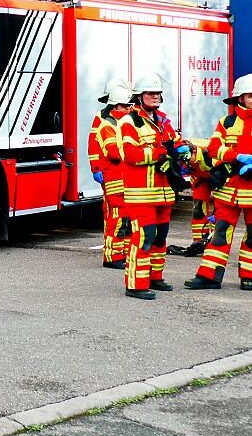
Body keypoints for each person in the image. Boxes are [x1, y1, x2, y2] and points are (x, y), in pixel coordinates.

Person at [117, 73, 191, 300]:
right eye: (150, 93)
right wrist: (159, 154)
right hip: (141, 193)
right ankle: (135, 284)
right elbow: (129, 154)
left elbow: (174, 142)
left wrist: (182, 150)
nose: (155, 97)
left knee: (160, 237)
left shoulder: (163, 121)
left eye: (158, 93)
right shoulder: (129, 122)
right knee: (143, 236)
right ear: (139, 97)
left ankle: (155, 277)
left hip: (164, 191)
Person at [184, 73, 252, 292]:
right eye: (250, 96)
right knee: (221, 234)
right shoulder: (227, 122)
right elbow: (213, 148)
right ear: (240, 99)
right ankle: (209, 276)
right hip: (228, 190)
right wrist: (235, 157)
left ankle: (249, 276)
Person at [87, 78, 132, 270]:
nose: (130, 109)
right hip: (114, 175)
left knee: (123, 217)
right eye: (126, 106)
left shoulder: (113, 120)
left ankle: (121, 253)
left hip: (119, 175)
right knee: (117, 217)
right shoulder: (107, 123)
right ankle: (113, 256)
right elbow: (111, 150)